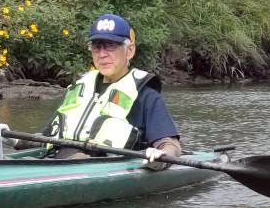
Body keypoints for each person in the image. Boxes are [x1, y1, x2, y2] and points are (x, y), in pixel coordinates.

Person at [43, 13, 182, 169]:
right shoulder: (79, 88)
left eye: (110, 46)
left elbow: (170, 145)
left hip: (102, 167)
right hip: (57, 159)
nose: (102, 54)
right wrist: (13, 138)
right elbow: (47, 138)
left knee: (77, 157)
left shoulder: (146, 95)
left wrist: (162, 156)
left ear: (129, 51)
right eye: (97, 47)